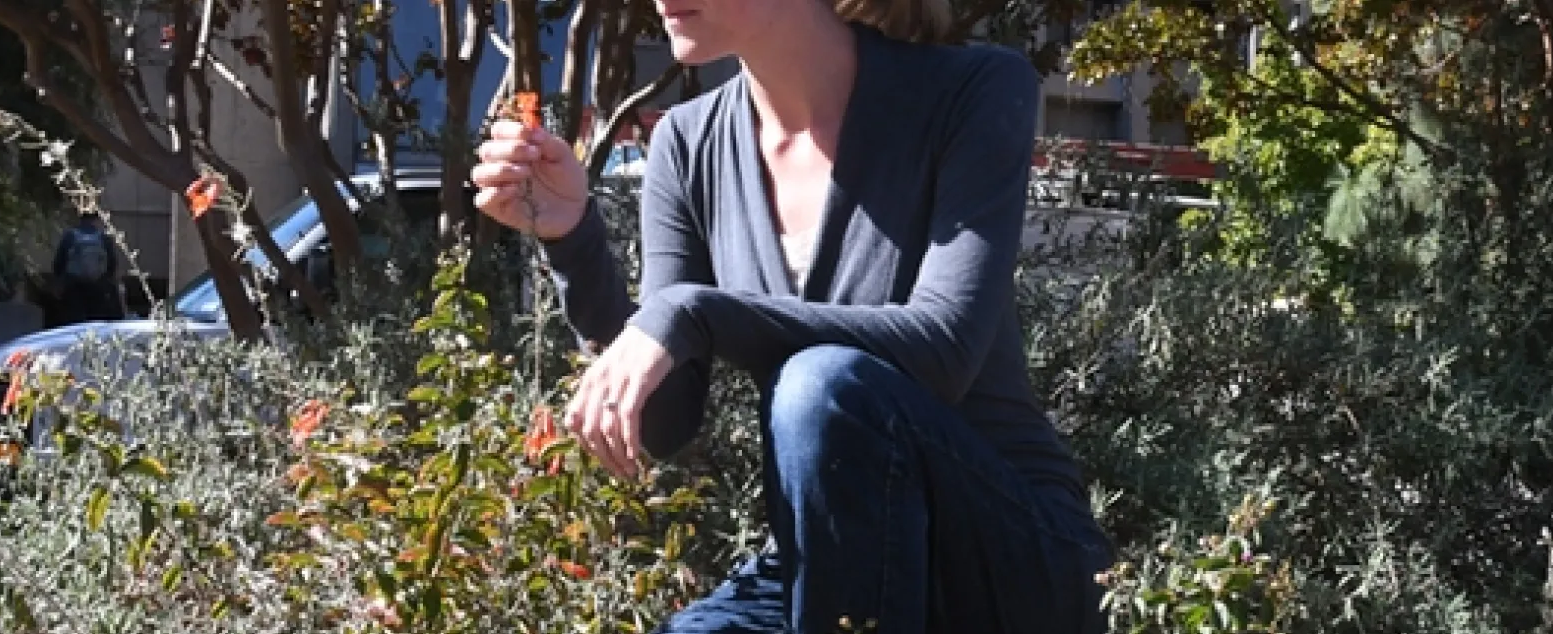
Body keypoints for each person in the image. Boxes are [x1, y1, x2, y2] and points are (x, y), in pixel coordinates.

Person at [469, 0, 1113, 630]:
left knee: (822, 385)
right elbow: (666, 424)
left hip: (1011, 565)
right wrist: (572, 238)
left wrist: (693, 313)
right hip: (832, 560)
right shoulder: (688, 144)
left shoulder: (972, 88)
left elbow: (944, 348)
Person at [50, 211, 126, 324]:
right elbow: (112, 265)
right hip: (97, 287)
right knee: (96, 323)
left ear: (79, 218)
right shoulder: (103, 238)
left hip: (74, 287)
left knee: (74, 322)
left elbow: (58, 263)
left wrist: (60, 282)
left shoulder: (70, 236)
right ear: (96, 218)